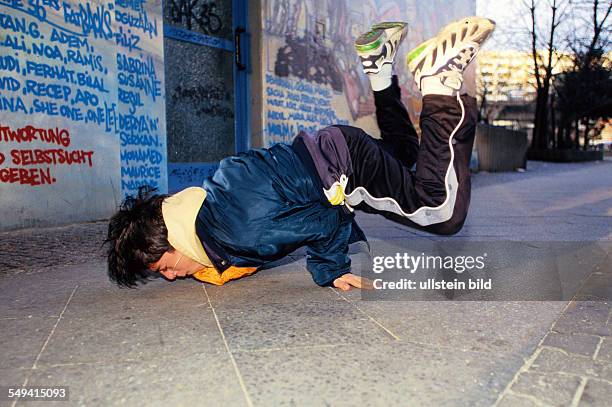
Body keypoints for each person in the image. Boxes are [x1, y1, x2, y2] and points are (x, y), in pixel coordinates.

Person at [105, 17, 495, 291]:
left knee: (440, 210)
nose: (172, 276)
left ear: (177, 239)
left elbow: (325, 220)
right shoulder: (208, 205)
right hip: (331, 145)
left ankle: (440, 83)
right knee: (407, 154)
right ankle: (379, 68)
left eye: (166, 268)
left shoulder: (241, 233)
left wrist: (330, 269)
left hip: (344, 172)